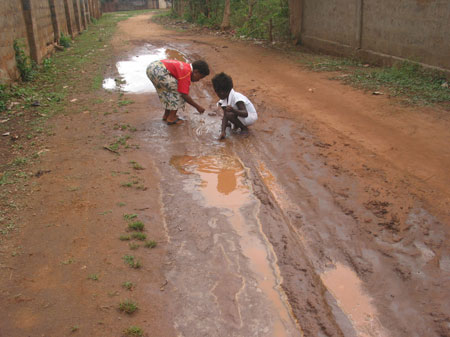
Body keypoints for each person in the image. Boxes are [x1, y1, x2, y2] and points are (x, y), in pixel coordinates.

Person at [146, 59, 210, 125]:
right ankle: (171, 118)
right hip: (158, 71)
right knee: (179, 90)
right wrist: (198, 107)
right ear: (196, 72)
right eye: (200, 77)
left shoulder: (186, 67)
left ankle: (166, 115)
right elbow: (184, 94)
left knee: (168, 91)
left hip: (152, 67)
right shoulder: (187, 73)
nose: (198, 80)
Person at [211, 72, 258, 139]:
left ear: (224, 92)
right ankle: (236, 124)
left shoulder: (237, 97)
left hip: (251, 116)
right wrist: (223, 132)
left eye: (218, 92)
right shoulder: (223, 101)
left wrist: (233, 110)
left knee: (229, 114)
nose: (217, 94)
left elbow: (245, 113)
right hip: (240, 115)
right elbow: (225, 116)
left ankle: (244, 129)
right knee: (227, 118)